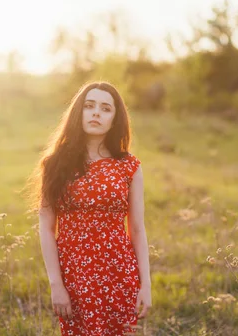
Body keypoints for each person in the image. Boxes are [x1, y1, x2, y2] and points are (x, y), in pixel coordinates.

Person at [32, 81, 152, 335]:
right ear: (79, 113)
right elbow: (45, 226)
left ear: (115, 119)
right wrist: (56, 284)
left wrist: (146, 284)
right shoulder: (55, 165)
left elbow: (138, 229)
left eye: (106, 108)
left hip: (120, 274)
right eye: (89, 106)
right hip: (75, 276)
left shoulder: (128, 166)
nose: (96, 112)